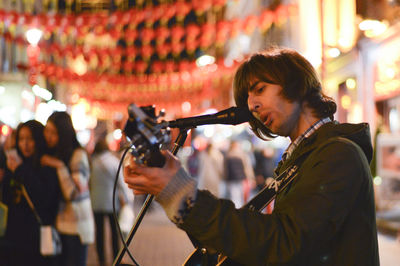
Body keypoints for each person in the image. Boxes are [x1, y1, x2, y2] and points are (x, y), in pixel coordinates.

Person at [123, 47, 379, 265]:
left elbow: (285, 243)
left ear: (295, 83)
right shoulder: (301, 158)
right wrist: (170, 190)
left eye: (259, 89)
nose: (252, 106)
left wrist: (183, 195)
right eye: (247, 99)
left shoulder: (339, 154)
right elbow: (251, 242)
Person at [0, 120, 61, 266]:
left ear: (38, 140)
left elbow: (44, 200)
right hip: (12, 238)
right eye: (21, 139)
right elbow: (8, 199)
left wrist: (20, 171)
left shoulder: (46, 165)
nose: (25, 144)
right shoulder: (13, 164)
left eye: (30, 139)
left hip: (35, 241)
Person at [41, 111, 95, 266]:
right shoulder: (56, 153)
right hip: (60, 227)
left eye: (54, 133)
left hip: (76, 230)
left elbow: (74, 194)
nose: (48, 136)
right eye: (47, 130)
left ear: (63, 134)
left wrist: (59, 166)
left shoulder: (78, 156)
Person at [90, 138, 133, 266]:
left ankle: (101, 259)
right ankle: (116, 257)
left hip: (96, 201)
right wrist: (128, 199)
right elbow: (121, 182)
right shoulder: (114, 162)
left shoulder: (93, 162)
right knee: (114, 232)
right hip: (112, 202)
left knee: (99, 231)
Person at [222, 140, 255, 207]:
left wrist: (225, 178)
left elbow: (225, 169)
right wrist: (250, 178)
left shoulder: (228, 155)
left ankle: (235, 210)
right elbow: (247, 167)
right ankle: (239, 210)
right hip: (241, 178)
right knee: (240, 196)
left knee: (234, 196)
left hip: (232, 179)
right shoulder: (242, 155)